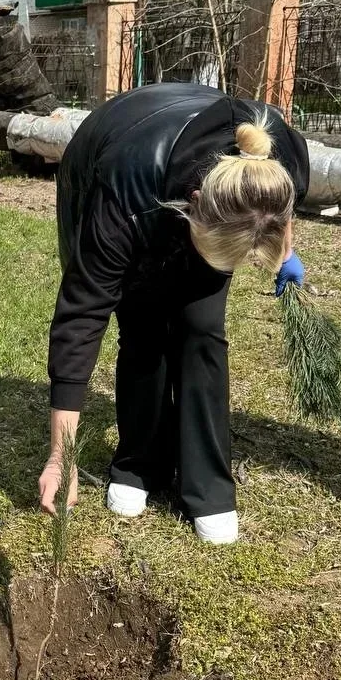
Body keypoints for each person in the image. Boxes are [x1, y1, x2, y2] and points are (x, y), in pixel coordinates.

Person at [39, 81, 309, 543]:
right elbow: (81, 317)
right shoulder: (123, 190)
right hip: (110, 152)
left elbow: (279, 211)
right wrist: (60, 458)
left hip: (210, 189)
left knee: (201, 327)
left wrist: (284, 254)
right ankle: (139, 464)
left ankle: (208, 488)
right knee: (142, 323)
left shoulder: (279, 157)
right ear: (196, 204)